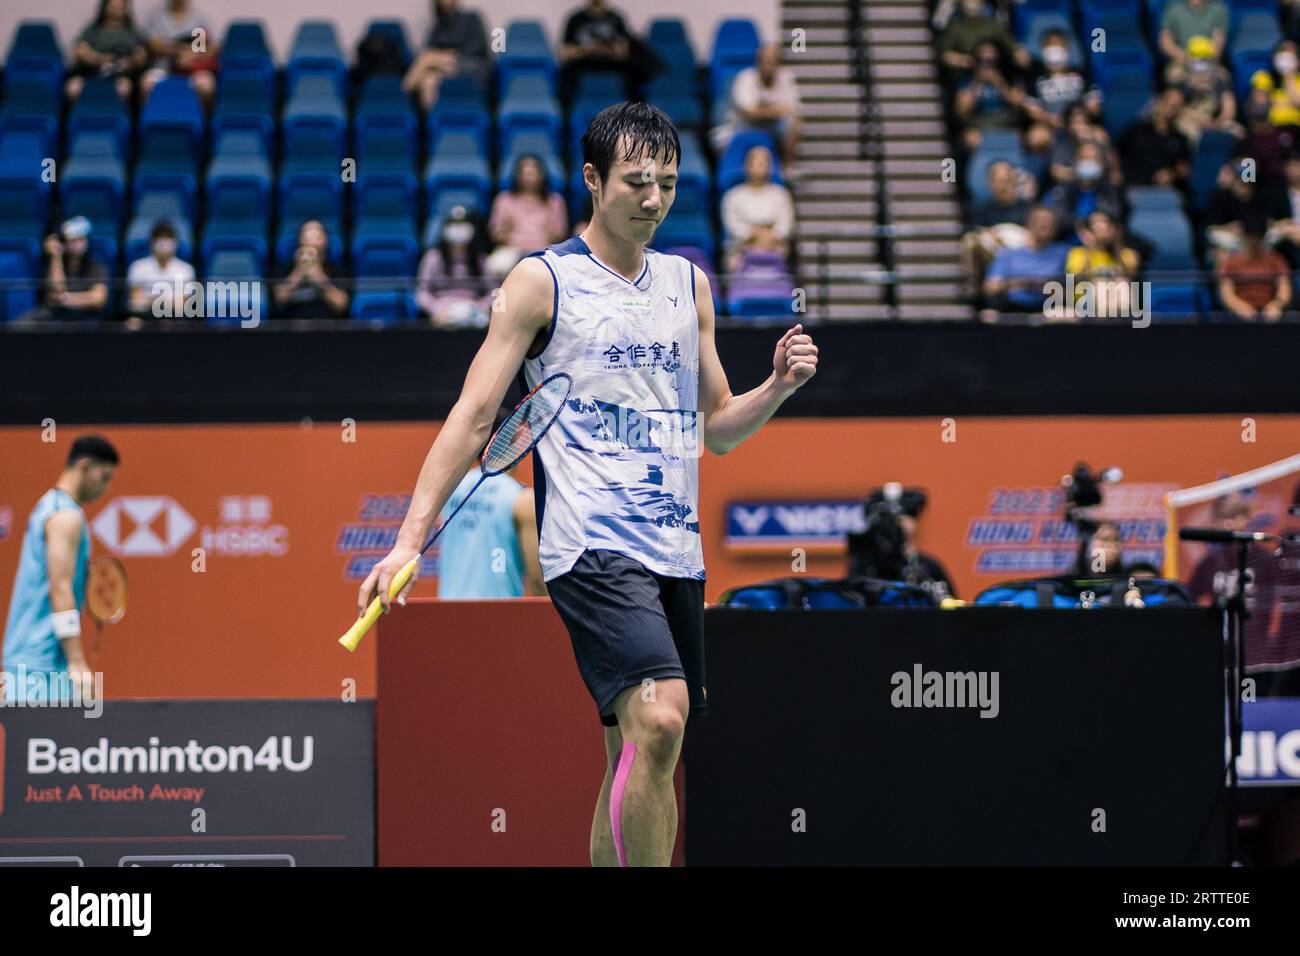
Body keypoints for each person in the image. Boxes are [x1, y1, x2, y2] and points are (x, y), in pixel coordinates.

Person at [359, 102, 819, 867]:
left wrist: (775, 387)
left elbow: (719, 430)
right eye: (636, 181)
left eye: (668, 183)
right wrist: (409, 541)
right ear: (591, 180)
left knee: (634, 755)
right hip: (591, 546)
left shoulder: (689, 285)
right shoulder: (540, 284)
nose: (654, 199)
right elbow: (475, 416)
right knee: (663, 720)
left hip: (676, 548)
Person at [2, 435, 119, 704]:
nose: (106, 487)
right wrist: (77, 662)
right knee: (44, 745)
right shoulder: (65, 517)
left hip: (34, 661)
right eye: (105, 476)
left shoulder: (49, 506)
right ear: (85, 466)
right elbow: (60, 587)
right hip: (40, 667)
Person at [435, 408, 546, 598]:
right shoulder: (522, 500)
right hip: (497, 617)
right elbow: (538, 580)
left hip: (448, 614)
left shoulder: (451, 489)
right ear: (517, 436)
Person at [714, 43, 802, 171]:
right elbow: (749, 113)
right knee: (719, 140)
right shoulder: (745, 78)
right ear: (758, 62)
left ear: (779, 64)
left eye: (772, 62)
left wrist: (761, 110)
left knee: (794, 124)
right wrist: (777, 110)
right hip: (743, 126)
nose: (768, 66)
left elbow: (792, 109)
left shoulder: (787, 78)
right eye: (765, 61)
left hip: (773, 127)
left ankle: (787, 170)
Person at [486, 155, 570, 281]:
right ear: (517, 175)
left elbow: (560, 234)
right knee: (494, 266)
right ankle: (499, 298)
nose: (529, 178)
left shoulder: (554, 201)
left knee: (564, 267)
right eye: (525, 173)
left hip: (545, 250)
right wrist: (507, 231)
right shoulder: (504, 200)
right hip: (511, 249)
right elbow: (496, 235)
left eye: (532, 173)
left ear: (542, 175)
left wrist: (545, 236)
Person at [960, 160, 1032, 298]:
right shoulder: (982, 208)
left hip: (1019, 254)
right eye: (998, 181)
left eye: (1007, 180)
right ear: (990, 183)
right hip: (992, 253)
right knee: (969, 241)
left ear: (1013, 181)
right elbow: (970, 228)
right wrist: (986, 233)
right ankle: (973, 288)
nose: (1003, 186)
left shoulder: (1027, 208)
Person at [982, 204, 1069, 317]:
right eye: (1041, 222)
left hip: (1050, 309)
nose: (1045, 225)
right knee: (988, 315)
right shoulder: (1009, 253)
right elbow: (990, 287)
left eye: (1050, 223)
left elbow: (1076, 293)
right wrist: (1018, 283)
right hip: (1011, 308)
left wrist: (1050, 290)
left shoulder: (1064, 252)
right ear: (1029, 224)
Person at [402, 0, 490, 112]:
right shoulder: (439, 26)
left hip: (472, 65)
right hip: (445, 69)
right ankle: (432, 121)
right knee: (428, 81)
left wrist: (450, 54)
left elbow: (479, 48)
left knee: (427, 58)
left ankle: (402, 91)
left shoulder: (472, 18)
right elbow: (429, 48)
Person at [720, 144, 795, 272]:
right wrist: (753, 235)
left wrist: (770, 237)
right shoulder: (733, 196)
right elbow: (733, 225)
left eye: (763, 162)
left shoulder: (780, 194)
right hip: (743, 246)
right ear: (746, 165)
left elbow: (785, 224)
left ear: (770, 166)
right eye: (754, 162)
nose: (758, 166)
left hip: (774, 246)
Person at [416, 205, 493, 326]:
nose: (459, 229)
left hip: (472, 311)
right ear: (446, 229)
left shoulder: (480, 258)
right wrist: (436, 310)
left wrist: (480, 307)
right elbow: (422, 292)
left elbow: (492, 292)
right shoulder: (433, 257)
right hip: (442, 312)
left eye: (463, 224)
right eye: (454, 224)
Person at [1062, 210, 1140, 320]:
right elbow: (1077, 279)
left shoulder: (1127, 254)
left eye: (1104, 222)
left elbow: (1132, 277)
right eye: (1094, 223)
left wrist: (1117, 243)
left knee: (1121, 282)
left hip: (1120, 305)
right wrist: (1090, 247)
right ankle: (1104, 326)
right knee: (1100, 283)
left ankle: (1119, 323)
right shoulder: (1078, 253)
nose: (1100, 227)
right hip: (1086, 304)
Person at [67, 0, 151, 102]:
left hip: (121, 75)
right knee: (73, 87)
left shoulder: (133, 32)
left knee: (124, 88)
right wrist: (99, 59)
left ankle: (120, 116)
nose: (116, 10)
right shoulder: (93, 29)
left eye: (120, 7)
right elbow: (79, 50)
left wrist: (132, 61)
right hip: (92, 71)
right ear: (105, 7)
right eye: (113, 6)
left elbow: (142, 55)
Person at [953, 41, 1030, 151]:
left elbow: (1019, 105)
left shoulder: (1011, 79)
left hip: (1007, 124)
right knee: (970, 139)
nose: (987, 66)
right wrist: (976, 83)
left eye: (991, 62)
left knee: (1020, 137)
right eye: (982, 61)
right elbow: (961, 111)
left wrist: (999, 83)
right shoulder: (967, 82)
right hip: (980, 126)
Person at [140, 0, 218, 106]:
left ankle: (202, 122)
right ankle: (149, 121)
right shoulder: (156, 16)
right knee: (147, 83)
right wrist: (178, 53)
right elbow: (154, 45)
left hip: (193, 70)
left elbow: (213, 47)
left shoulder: (200, 17)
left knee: (206, 85)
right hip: (163, 69)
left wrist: (192, 56)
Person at [1167, 35, 1242, 145]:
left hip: (1214, 120)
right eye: (1197, 56)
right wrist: (1201, 120)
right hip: (1188, 119)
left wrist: (1218, 122)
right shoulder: (1179, 76)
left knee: (1238, 132)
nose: (1201, 61)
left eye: (1205, 57)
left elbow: (1229, 107)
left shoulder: (1221, 76)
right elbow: (1175, 107)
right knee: (1188, 134)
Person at [1043, 141, 1126, 238]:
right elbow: (1053, 215)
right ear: (1076, 161)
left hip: (1099, 245)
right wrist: (1083, 223)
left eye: (1093, 159)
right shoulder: (1062, 188)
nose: (1088, 163)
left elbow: (1114, 216)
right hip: (1062, 242)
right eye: (1084, 159)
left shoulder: (1111, 189)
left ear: (1102, 163)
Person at [1216, 215, 1291, 321]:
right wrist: (1240, 307)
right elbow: (1226, 292)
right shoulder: (1230, 261)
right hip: (1239, 316)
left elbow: (1284, 287)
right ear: (1243, 236)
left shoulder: (1276, 259)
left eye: (1258, 236)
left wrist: (1276, 305)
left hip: (1270, 314)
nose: (1254, 241)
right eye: (1250, 236)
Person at [937, 0, 1029, 85]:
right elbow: (944, 55)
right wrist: (967, 61)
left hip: (997, 73)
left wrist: (1020, 55)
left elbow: (1014, 48)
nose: (972, 3)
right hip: (967, 75)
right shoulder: (954, 28)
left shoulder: (993, 25)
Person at [273, 220, 349, 319]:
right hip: (291, 326)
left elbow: (341, 305)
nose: (312, 238)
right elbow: (279, 300)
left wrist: (319, 277)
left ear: (325, 239)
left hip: (326, 327)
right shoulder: (286, 268)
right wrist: (298, 273)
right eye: (307, 234)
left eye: (317, 234)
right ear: (300, 239)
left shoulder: (336, 269)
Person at [1118, 87, 1191, 188]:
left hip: (1165, 191)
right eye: (1168, 102)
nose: (1171, 108)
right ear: (1159, 101)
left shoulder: (1180, 139)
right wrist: (1115, 172)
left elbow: (1184, 169)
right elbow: (1116, 151)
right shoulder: (1137, 129)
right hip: (1134, 187)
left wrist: (1172, 174)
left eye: (1176, 106)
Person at [126, 220, 195, 325]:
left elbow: (183, 303)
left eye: (168, 238)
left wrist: (156, 301)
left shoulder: (186, 269)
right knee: (132, 323)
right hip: (145, 315)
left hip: (174, 316)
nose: (164, 244)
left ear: (175, 243)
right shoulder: (138, 266)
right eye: (160, 239)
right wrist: (165, 302)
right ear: (152, 243)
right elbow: (136, 301)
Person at [42, 216, 109, 321]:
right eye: (72, 240)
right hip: (59, 318)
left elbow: (98, 299)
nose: (77, 244)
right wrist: (56, 256)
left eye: (81, 239)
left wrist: (65, 299)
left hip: (88, 318)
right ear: (64, 243)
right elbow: (55, 292)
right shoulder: (54, 265)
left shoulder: (97, 266)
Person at [1159, 0, 1229, 79]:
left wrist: (1204, 60)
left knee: (1223, 77)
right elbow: (1165, 41)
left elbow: (1218, 42)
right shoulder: (1173, 8)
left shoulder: (1218, 9)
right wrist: (1183, 57)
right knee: (1174, 76)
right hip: (1180, 61)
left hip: (1209, 62)